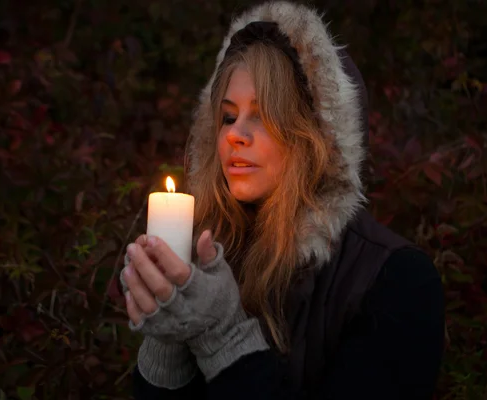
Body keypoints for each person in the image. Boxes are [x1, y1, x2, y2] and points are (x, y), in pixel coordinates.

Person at [120, 1, 445, 399]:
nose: (235, 135)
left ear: (316, 138)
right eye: (227, 116)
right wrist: (167, 341)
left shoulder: (395, 280)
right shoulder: (207, 262)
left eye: (263, 114)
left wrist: (223, 338)